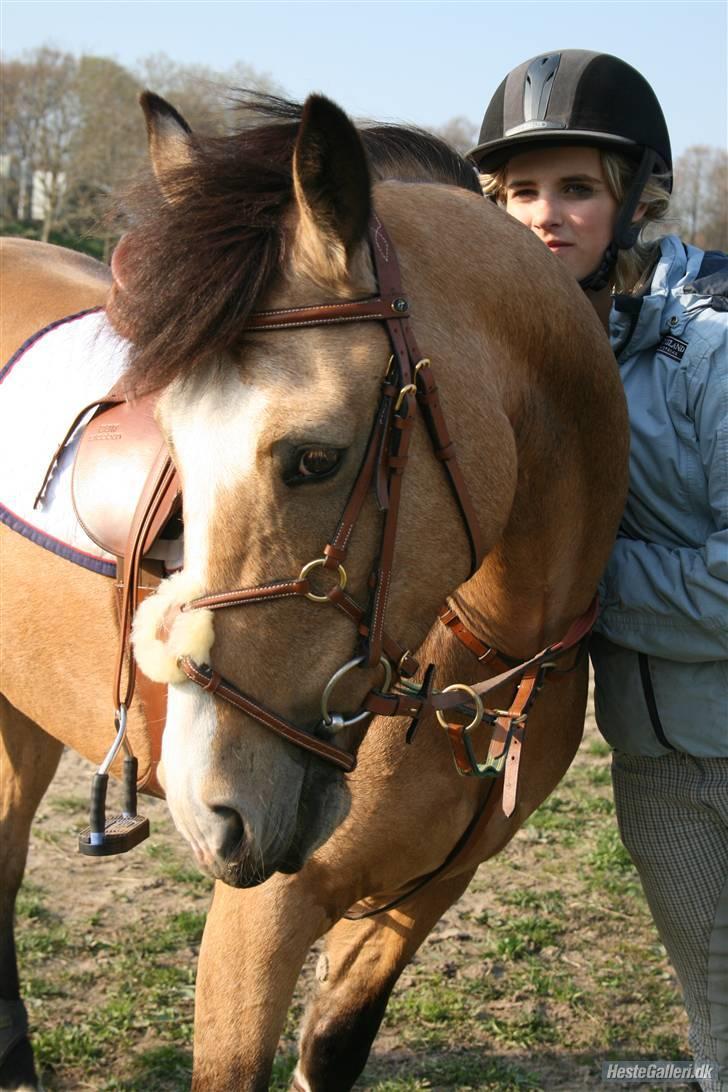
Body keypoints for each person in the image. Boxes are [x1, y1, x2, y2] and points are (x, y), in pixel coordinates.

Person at [468, 50, 728, 1091]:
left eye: (576, 188)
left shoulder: (708, 351)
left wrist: (573, 585)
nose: (545, 215)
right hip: (655, 765)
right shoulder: (525, 364)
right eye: (520, 192)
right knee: (712, 1010)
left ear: (634, 201)